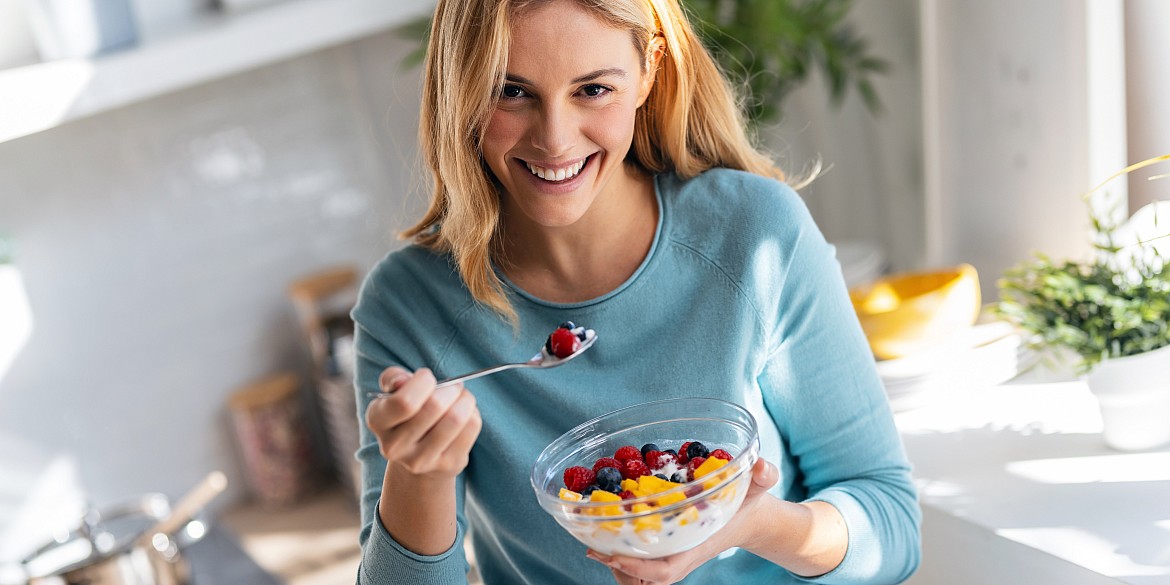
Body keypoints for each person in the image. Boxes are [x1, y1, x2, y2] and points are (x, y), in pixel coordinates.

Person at [352, 0, 921, 583]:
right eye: (510, 91)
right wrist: (418, 474)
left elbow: (893, 528)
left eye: (593, 89)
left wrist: (752, 523)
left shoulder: (754, 236)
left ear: (648, 68)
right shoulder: (408, 308)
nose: (554, 139)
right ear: (460, 88)